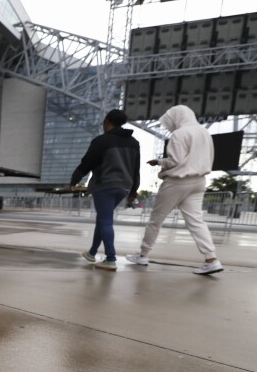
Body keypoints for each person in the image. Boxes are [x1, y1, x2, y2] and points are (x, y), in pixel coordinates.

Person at [126, 105, 223, 275]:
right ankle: (211, 259)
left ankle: (143, 255)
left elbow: (175, 161)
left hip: (178, 182)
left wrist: (160, 162)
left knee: (156, 220)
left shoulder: (179, 134)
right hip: (199, 181)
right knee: (196, 221)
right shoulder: (204, 132)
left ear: (177, 118)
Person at [70, 109, 140, 272]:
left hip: (105, 185)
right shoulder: (134, 142)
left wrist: (74, 179)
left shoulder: (101, 141)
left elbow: (87, 162)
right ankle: (92, 252)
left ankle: (110, 258)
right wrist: (133, 191)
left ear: (107, 122)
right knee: (103, 219)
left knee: (106, 221)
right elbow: (136, 169)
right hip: (124, 186)